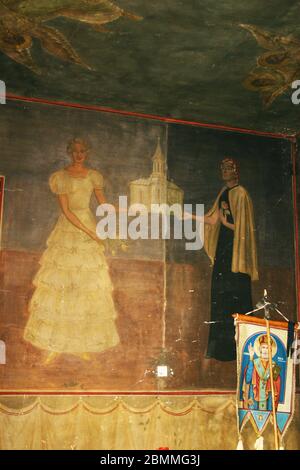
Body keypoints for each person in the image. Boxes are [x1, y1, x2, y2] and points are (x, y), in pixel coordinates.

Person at [24, 138, 120, 364]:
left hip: (88, 227)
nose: (79, 155)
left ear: (87, 153)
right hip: (70, 228)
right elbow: (67, 211)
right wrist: (89, 231)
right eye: (75, 151)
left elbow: (104, 205)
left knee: (84, 285)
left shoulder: (94, 176)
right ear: (69, 152)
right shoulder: (61, 177)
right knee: (62, 286)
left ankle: (78, 343)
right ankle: (55, 345)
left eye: (83, 151)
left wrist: (127, 209)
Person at [204, 158, 258, 361]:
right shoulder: (224, 193)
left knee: (238, 299)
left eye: (229, 168)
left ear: (236, 171)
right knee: (220, 296)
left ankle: (243, 350)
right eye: (222, 168)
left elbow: (243, 228)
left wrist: (226, 223)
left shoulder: (241, 194)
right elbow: (211, 220)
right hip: (224, 252)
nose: (224, 172)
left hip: (237, 256)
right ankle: (220, 351)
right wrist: (186, 215)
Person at [242, 335, 281, 411]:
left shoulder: (274, 365)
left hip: (268, 398)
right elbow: (248, 379)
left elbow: (277, 385)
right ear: (260, 349)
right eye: (263, 347)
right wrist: (251, 357)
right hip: (254, 396)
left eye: (267, 348)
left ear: (270, 350)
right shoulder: (253, 362)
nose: (265, 350)